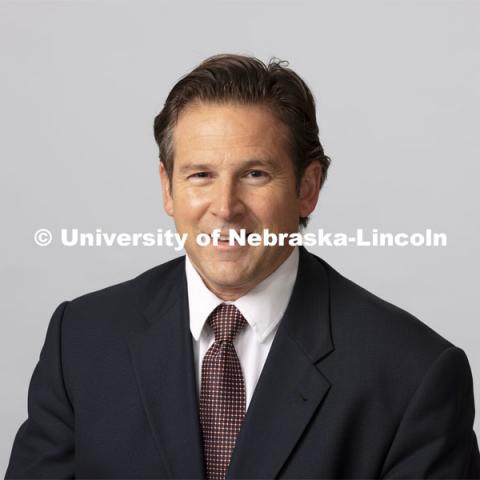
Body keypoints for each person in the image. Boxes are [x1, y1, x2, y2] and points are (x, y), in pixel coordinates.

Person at [5, 53, 480, 479]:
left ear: (307, 188)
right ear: (168, 189)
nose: (225, 207)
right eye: (201, 175)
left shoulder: (414, 373)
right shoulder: (82, 340)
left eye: (255, 174)